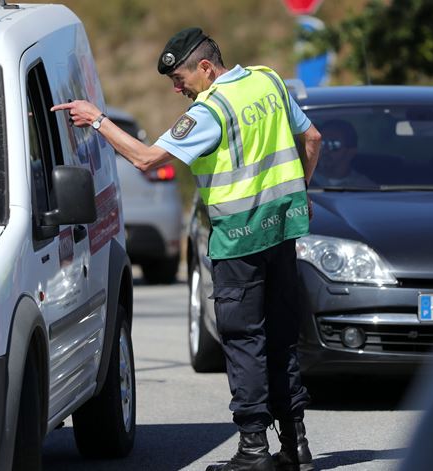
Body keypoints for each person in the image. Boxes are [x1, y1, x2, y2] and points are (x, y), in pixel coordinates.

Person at [52, 27, 322, 471]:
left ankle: (255, 449)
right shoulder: (268, 81)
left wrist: (97, 120)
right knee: (280, 340)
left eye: (180, 79)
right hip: (283, 234)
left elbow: (144, 158)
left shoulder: (209, 111)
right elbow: (312, 139)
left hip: (238, 242)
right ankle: (296, 446)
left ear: (206, 68)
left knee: (243, 343)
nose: (177, 88)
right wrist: (300, 190)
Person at [313, 119, 373, 187]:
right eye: (321, 143)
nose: (325, 150)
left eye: (334, 144)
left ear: (350, 152)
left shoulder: (366, 188)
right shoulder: (304, 182)